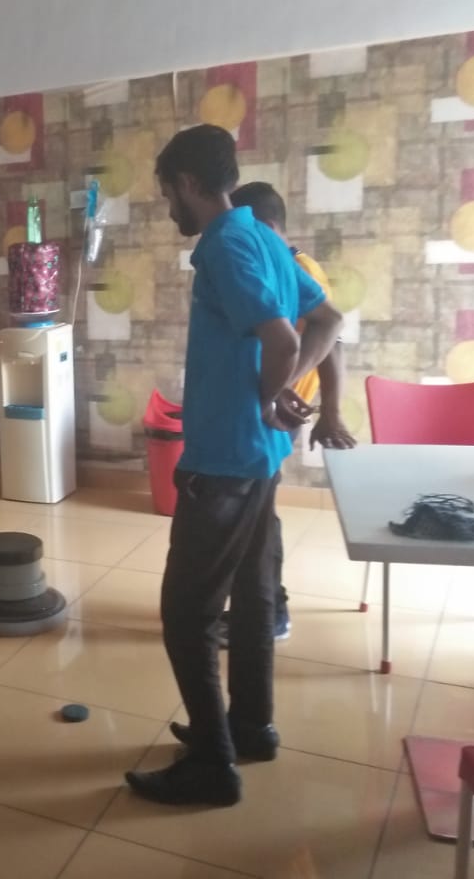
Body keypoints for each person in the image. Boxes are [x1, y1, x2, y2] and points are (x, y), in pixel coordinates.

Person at [125, 126, 342, 807]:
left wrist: (270, 394)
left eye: (168, 193)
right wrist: (281, 392)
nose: (170, 208)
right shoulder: (264, 234)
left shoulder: (223, 243)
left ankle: (213, 767)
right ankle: (251, 727)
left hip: (223, 462)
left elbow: (282, 338)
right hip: (262, 460)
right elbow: (328, 320)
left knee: (186, 613)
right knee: (252, 599)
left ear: (189, 183)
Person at [215, 182, 357, 645]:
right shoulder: (276, 263)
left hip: (273, 414)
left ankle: (269, 611)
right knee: (256, 514)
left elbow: (331, 338)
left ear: (264, 225)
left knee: (256, 518)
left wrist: (325, 409)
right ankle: (263, 608)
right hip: (268, 408)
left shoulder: (295, 267)